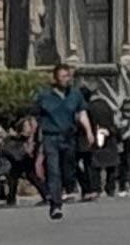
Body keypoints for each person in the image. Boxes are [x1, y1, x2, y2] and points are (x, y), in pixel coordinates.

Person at [36, 60, 92, 218]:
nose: (66, 79)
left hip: (68, 138)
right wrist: (34, 140)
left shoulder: (75, 95)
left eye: (67, 76)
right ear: (56, 78)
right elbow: (35, 118)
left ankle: (68, 186)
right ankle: (56, 204)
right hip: (51, 137)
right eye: (62, 76)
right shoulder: (44, 96)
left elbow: (82, 114)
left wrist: (89, 132)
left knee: (68, 170)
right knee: (53, 170)